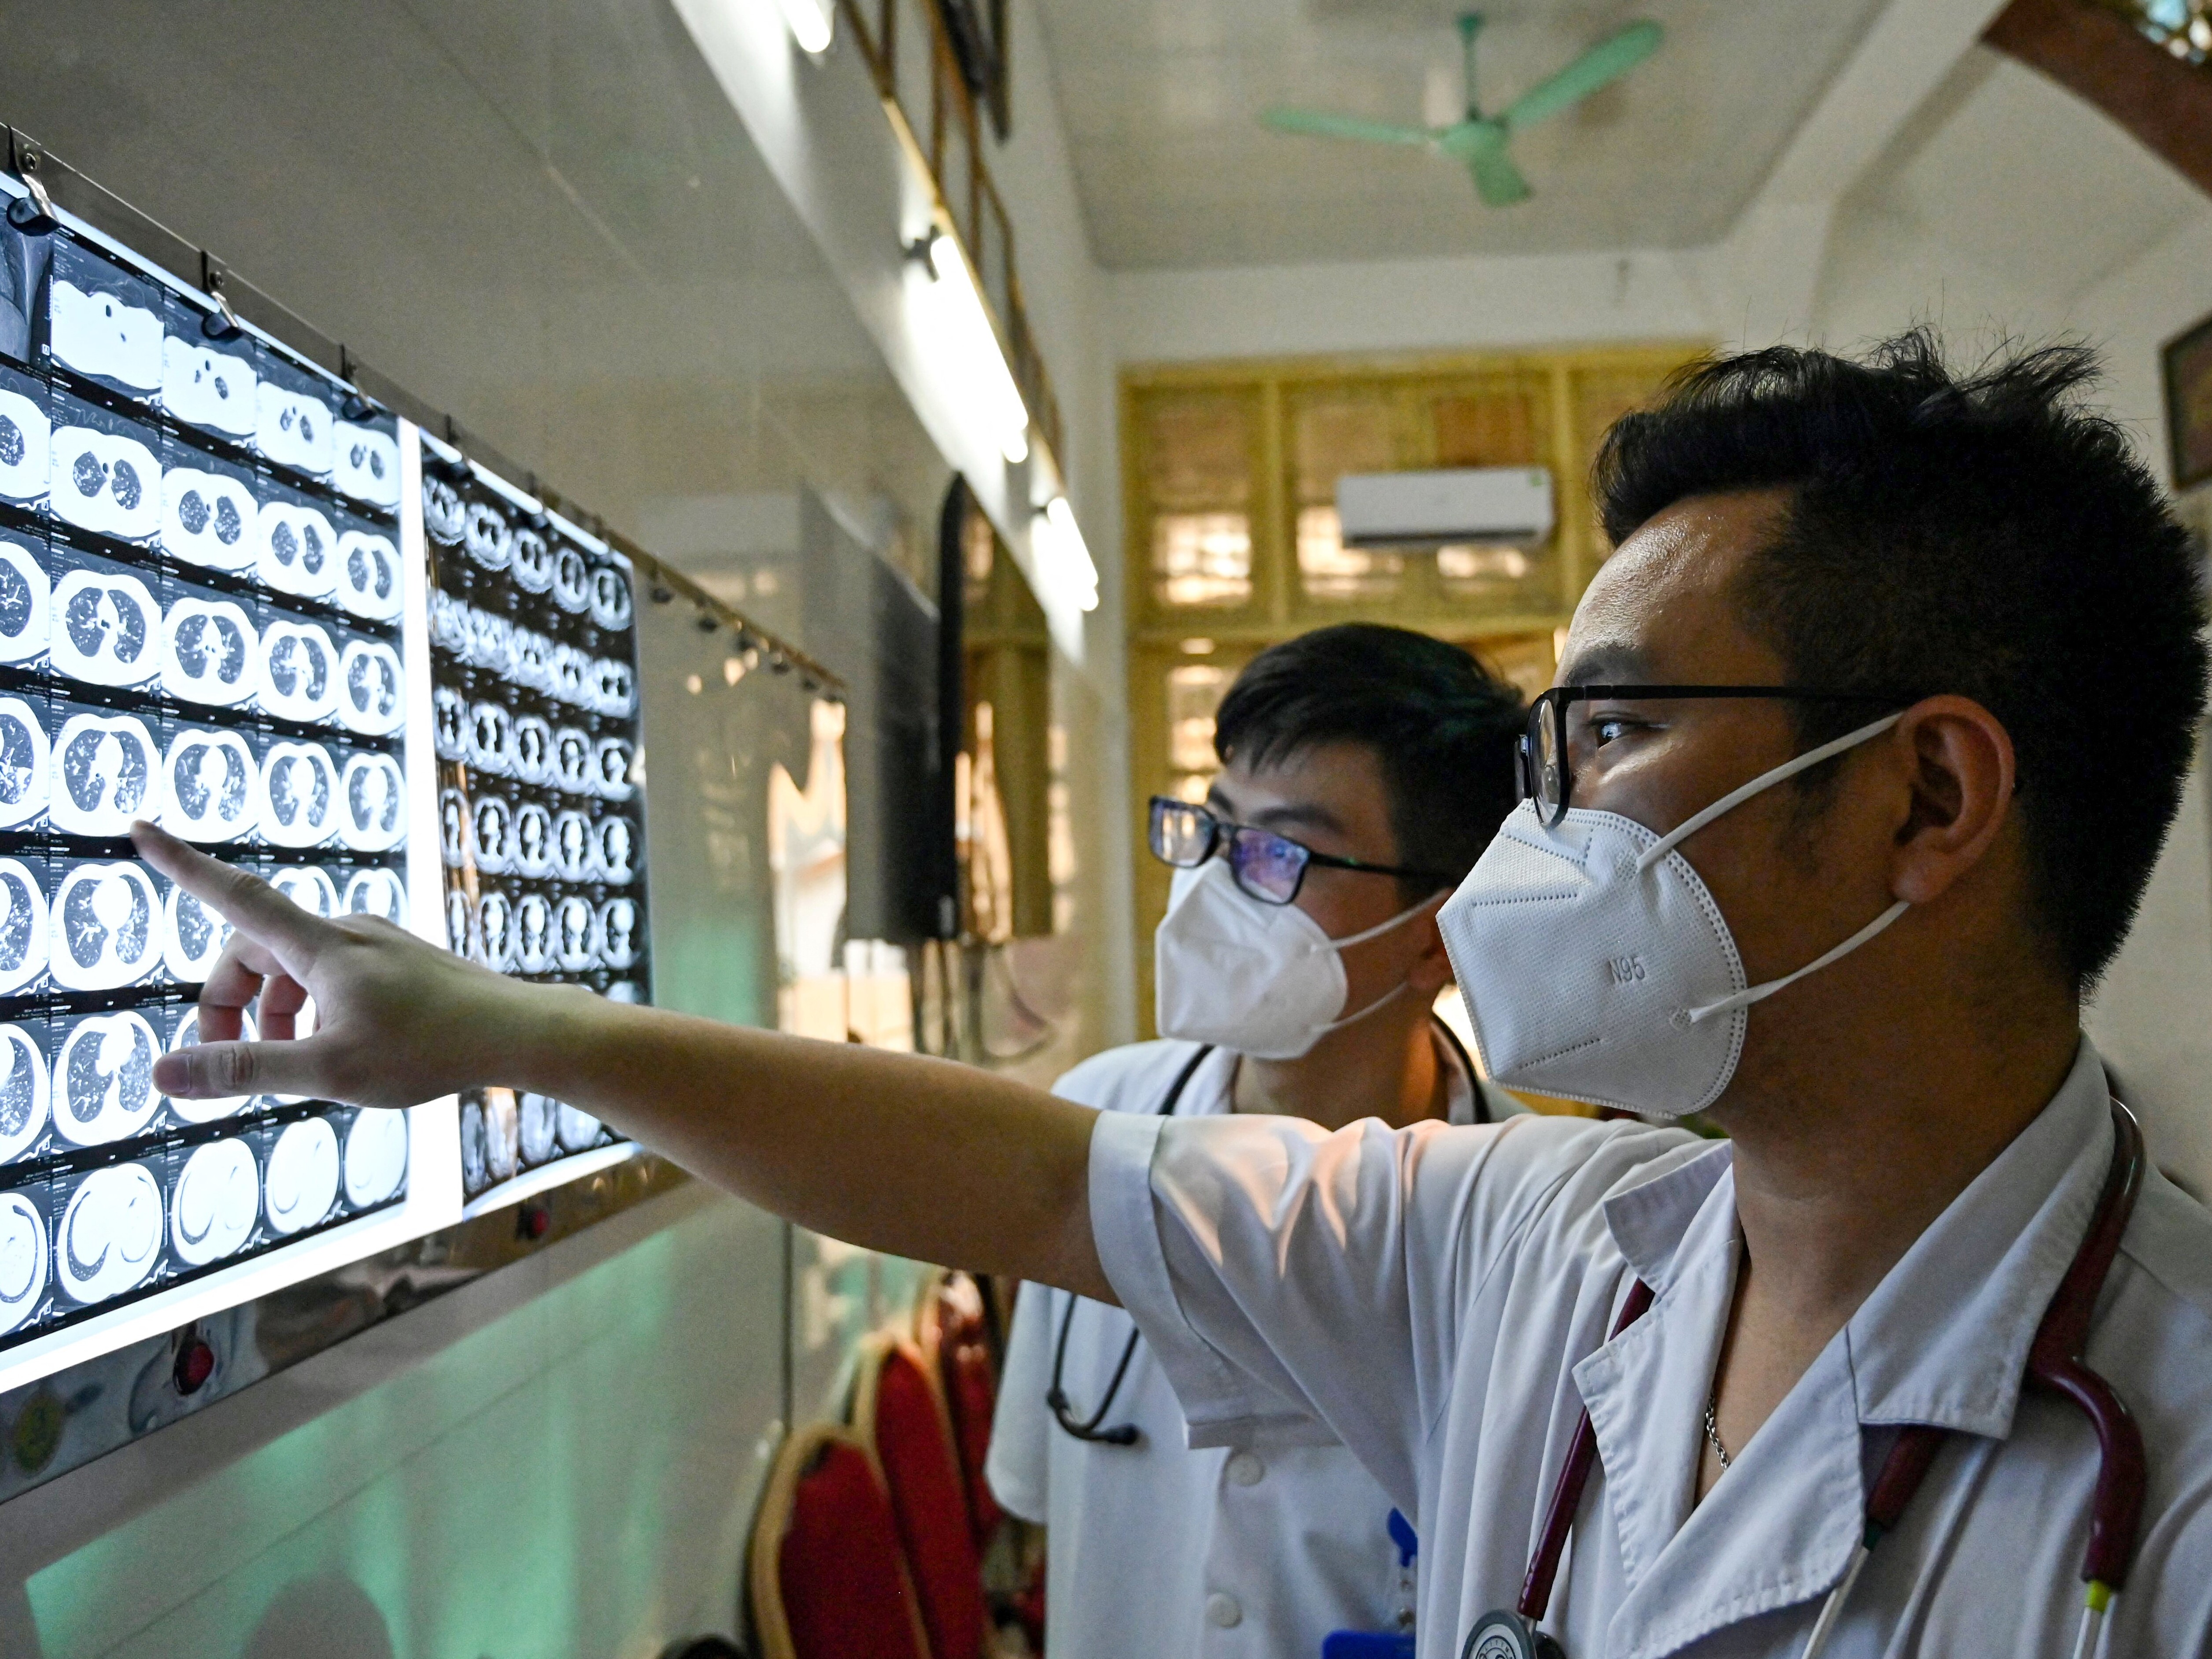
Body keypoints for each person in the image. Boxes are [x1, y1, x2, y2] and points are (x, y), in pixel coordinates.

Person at [137, 330, 2212, 1656]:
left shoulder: (2175, 1468)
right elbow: (1040, 1182)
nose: (1544, 826)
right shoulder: (1548, 1237)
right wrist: (501, 1030)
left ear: (1923, 799)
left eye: (1606, 734)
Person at [986, 624, 1526, 1659]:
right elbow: (1037, 1494)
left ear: (1436, 935)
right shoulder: (1091, 1126)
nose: (1215, 883)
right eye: (1214, 828)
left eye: (1280, 851)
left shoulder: (1528, 1228)